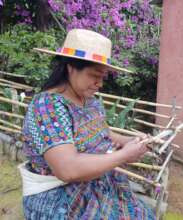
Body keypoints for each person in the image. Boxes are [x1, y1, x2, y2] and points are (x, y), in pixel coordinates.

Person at [20, 29, 155, 219]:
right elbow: (67, 170)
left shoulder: (90, 101)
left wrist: (129, 141)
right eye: (94, 75)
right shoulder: (47, 106)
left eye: (103, 76)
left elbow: (101, 131)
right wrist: (124, 155)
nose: (100, 83)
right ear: (71, 67)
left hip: (98, 184)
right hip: (59, 197)